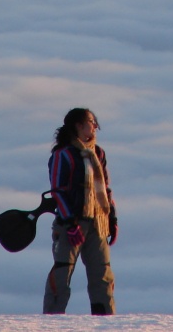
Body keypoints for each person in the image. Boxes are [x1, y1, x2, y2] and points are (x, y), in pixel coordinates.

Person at [43, 108, 118, 315]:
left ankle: (105, 322)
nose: (95, 126)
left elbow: (105, 188)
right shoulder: (62, 154)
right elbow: (57, 191)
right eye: (91, 122)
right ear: (78, 125)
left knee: (102, 275)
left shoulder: (98, 152)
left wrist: (112, 218)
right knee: (62, 273)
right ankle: (51, 322)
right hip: (71, 224)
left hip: (98, 222)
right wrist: (69, 222)